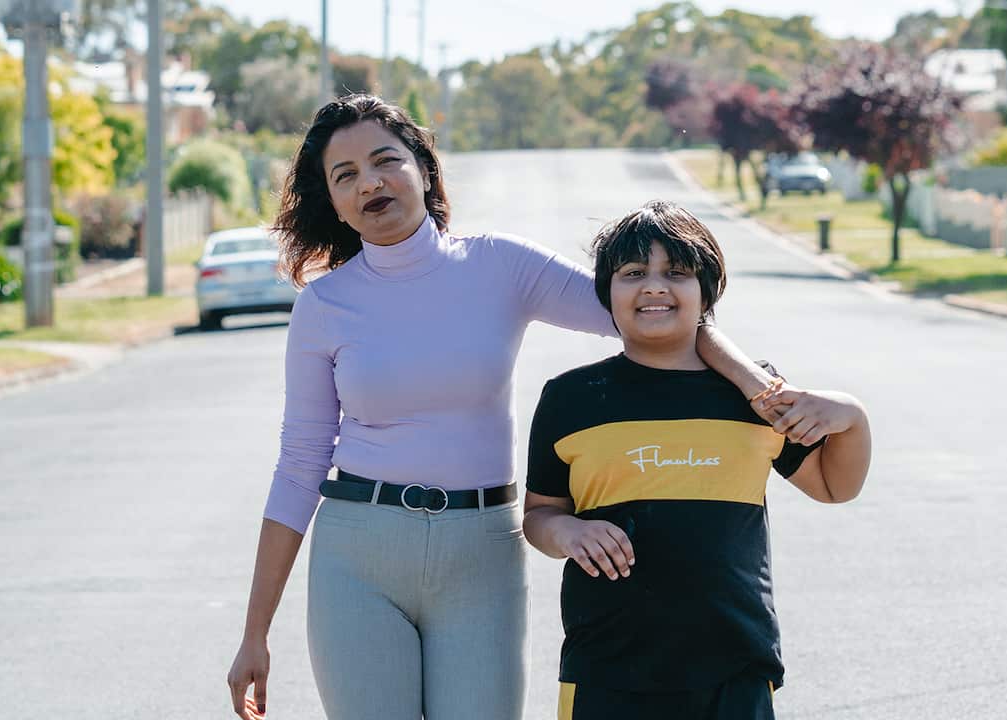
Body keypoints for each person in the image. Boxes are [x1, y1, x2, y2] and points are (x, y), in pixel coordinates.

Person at [224, 95, 791, 720]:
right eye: (346, 175)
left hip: (482, 551)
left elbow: (651, 313)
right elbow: (299, 464)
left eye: (385, 161)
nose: (370, 183)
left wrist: (757, 385)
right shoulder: (324, 306)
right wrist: (255, 632)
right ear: (331, 199)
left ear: (424, 169)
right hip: (359, 553)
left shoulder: (500, 264)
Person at [522, 200, 872, 720]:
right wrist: (566, 533)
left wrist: (852, 417)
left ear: (707, 291)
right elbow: (539, 515)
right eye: (633, 273)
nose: (655, 286)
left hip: (735, 665)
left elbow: (833, 486)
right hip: (607, 668)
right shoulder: (571, 398)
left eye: (677, 273)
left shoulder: (754, 394)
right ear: (607, 292)